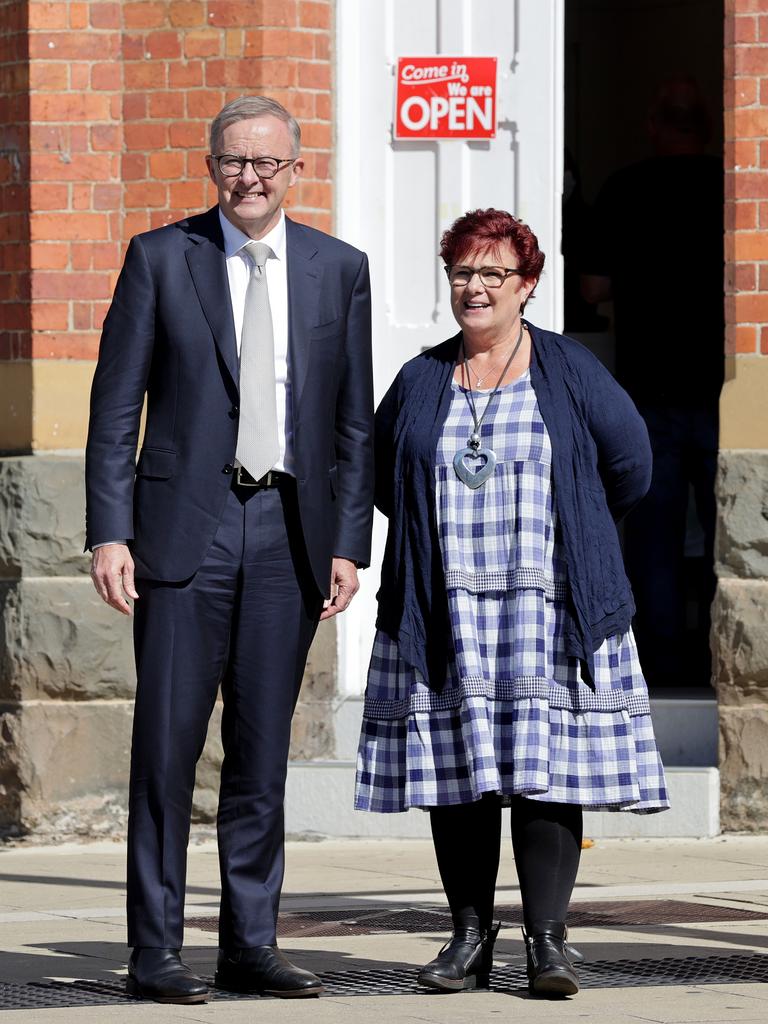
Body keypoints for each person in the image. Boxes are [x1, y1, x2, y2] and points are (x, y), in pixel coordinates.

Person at [86, 95, 374, 1004]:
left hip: (288, 534)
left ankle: (250, 942)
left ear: (297, 170)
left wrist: (345, 543)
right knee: (166, 750)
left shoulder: (339, 269)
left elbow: (351, 423)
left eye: (266, 164)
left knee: (261, 753)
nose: (249, 178)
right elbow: (113, 409)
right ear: (212, 166)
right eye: (233, 162)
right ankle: (156, 951)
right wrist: (108, 529)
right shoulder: (162, 258)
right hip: (183, 537)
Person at [355, 209, 668, 998]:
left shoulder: (568, 369)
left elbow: (630, 463)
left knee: (544, 775)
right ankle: (468, 938)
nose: (476, 288)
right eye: (463, 272)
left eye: (494, 274)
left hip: (546, 607)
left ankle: (548, 944)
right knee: (460, 778)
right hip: (446, 604)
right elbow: (386, 475)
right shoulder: (422, 378)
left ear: (527, 285)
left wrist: (583, 533)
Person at [582, 75, 724, 688]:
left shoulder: (625, 190)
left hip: (649, 389)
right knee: (725, 537)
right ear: (709, 126)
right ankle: (722, 664)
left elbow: (592, 288)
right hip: (724, 388)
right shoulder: (735, 188)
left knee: (654, 539)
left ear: (654, 125)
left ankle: (663, 671)